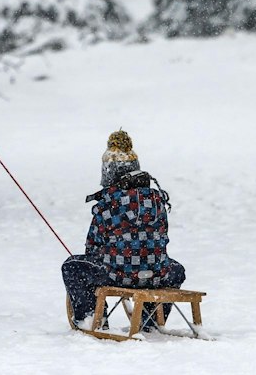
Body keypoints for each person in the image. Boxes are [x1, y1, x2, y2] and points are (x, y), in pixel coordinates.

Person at [61, 130, 187, 333]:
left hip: (117, 275)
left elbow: (92, 247)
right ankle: (149, 321)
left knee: (72, 266)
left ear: (108, 173)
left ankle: (91, 320)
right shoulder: (158, 201)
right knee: (177, 270)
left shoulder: (107, 203)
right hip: (157, 275)